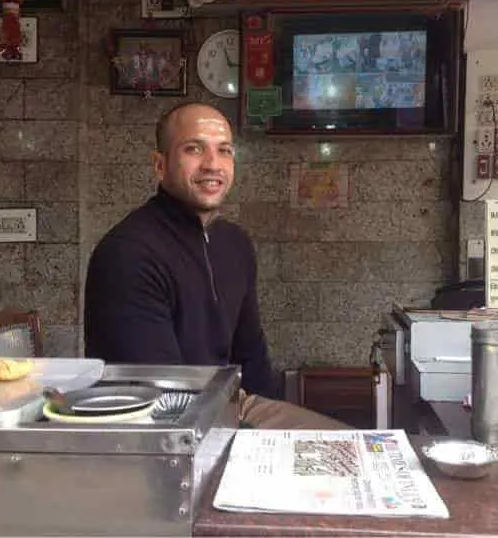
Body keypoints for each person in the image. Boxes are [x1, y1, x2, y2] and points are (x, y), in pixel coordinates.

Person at [84, 102, 348, 430]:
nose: (213, 164)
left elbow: (251, 355)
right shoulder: (128, 253)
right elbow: (159, 397)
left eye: (224, 151)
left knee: (350, 451)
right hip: (165, 428)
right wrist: (250, 442)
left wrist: (274, 437)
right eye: (194, 149)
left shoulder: (233, 242)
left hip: (232, 406)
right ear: (160, 165)